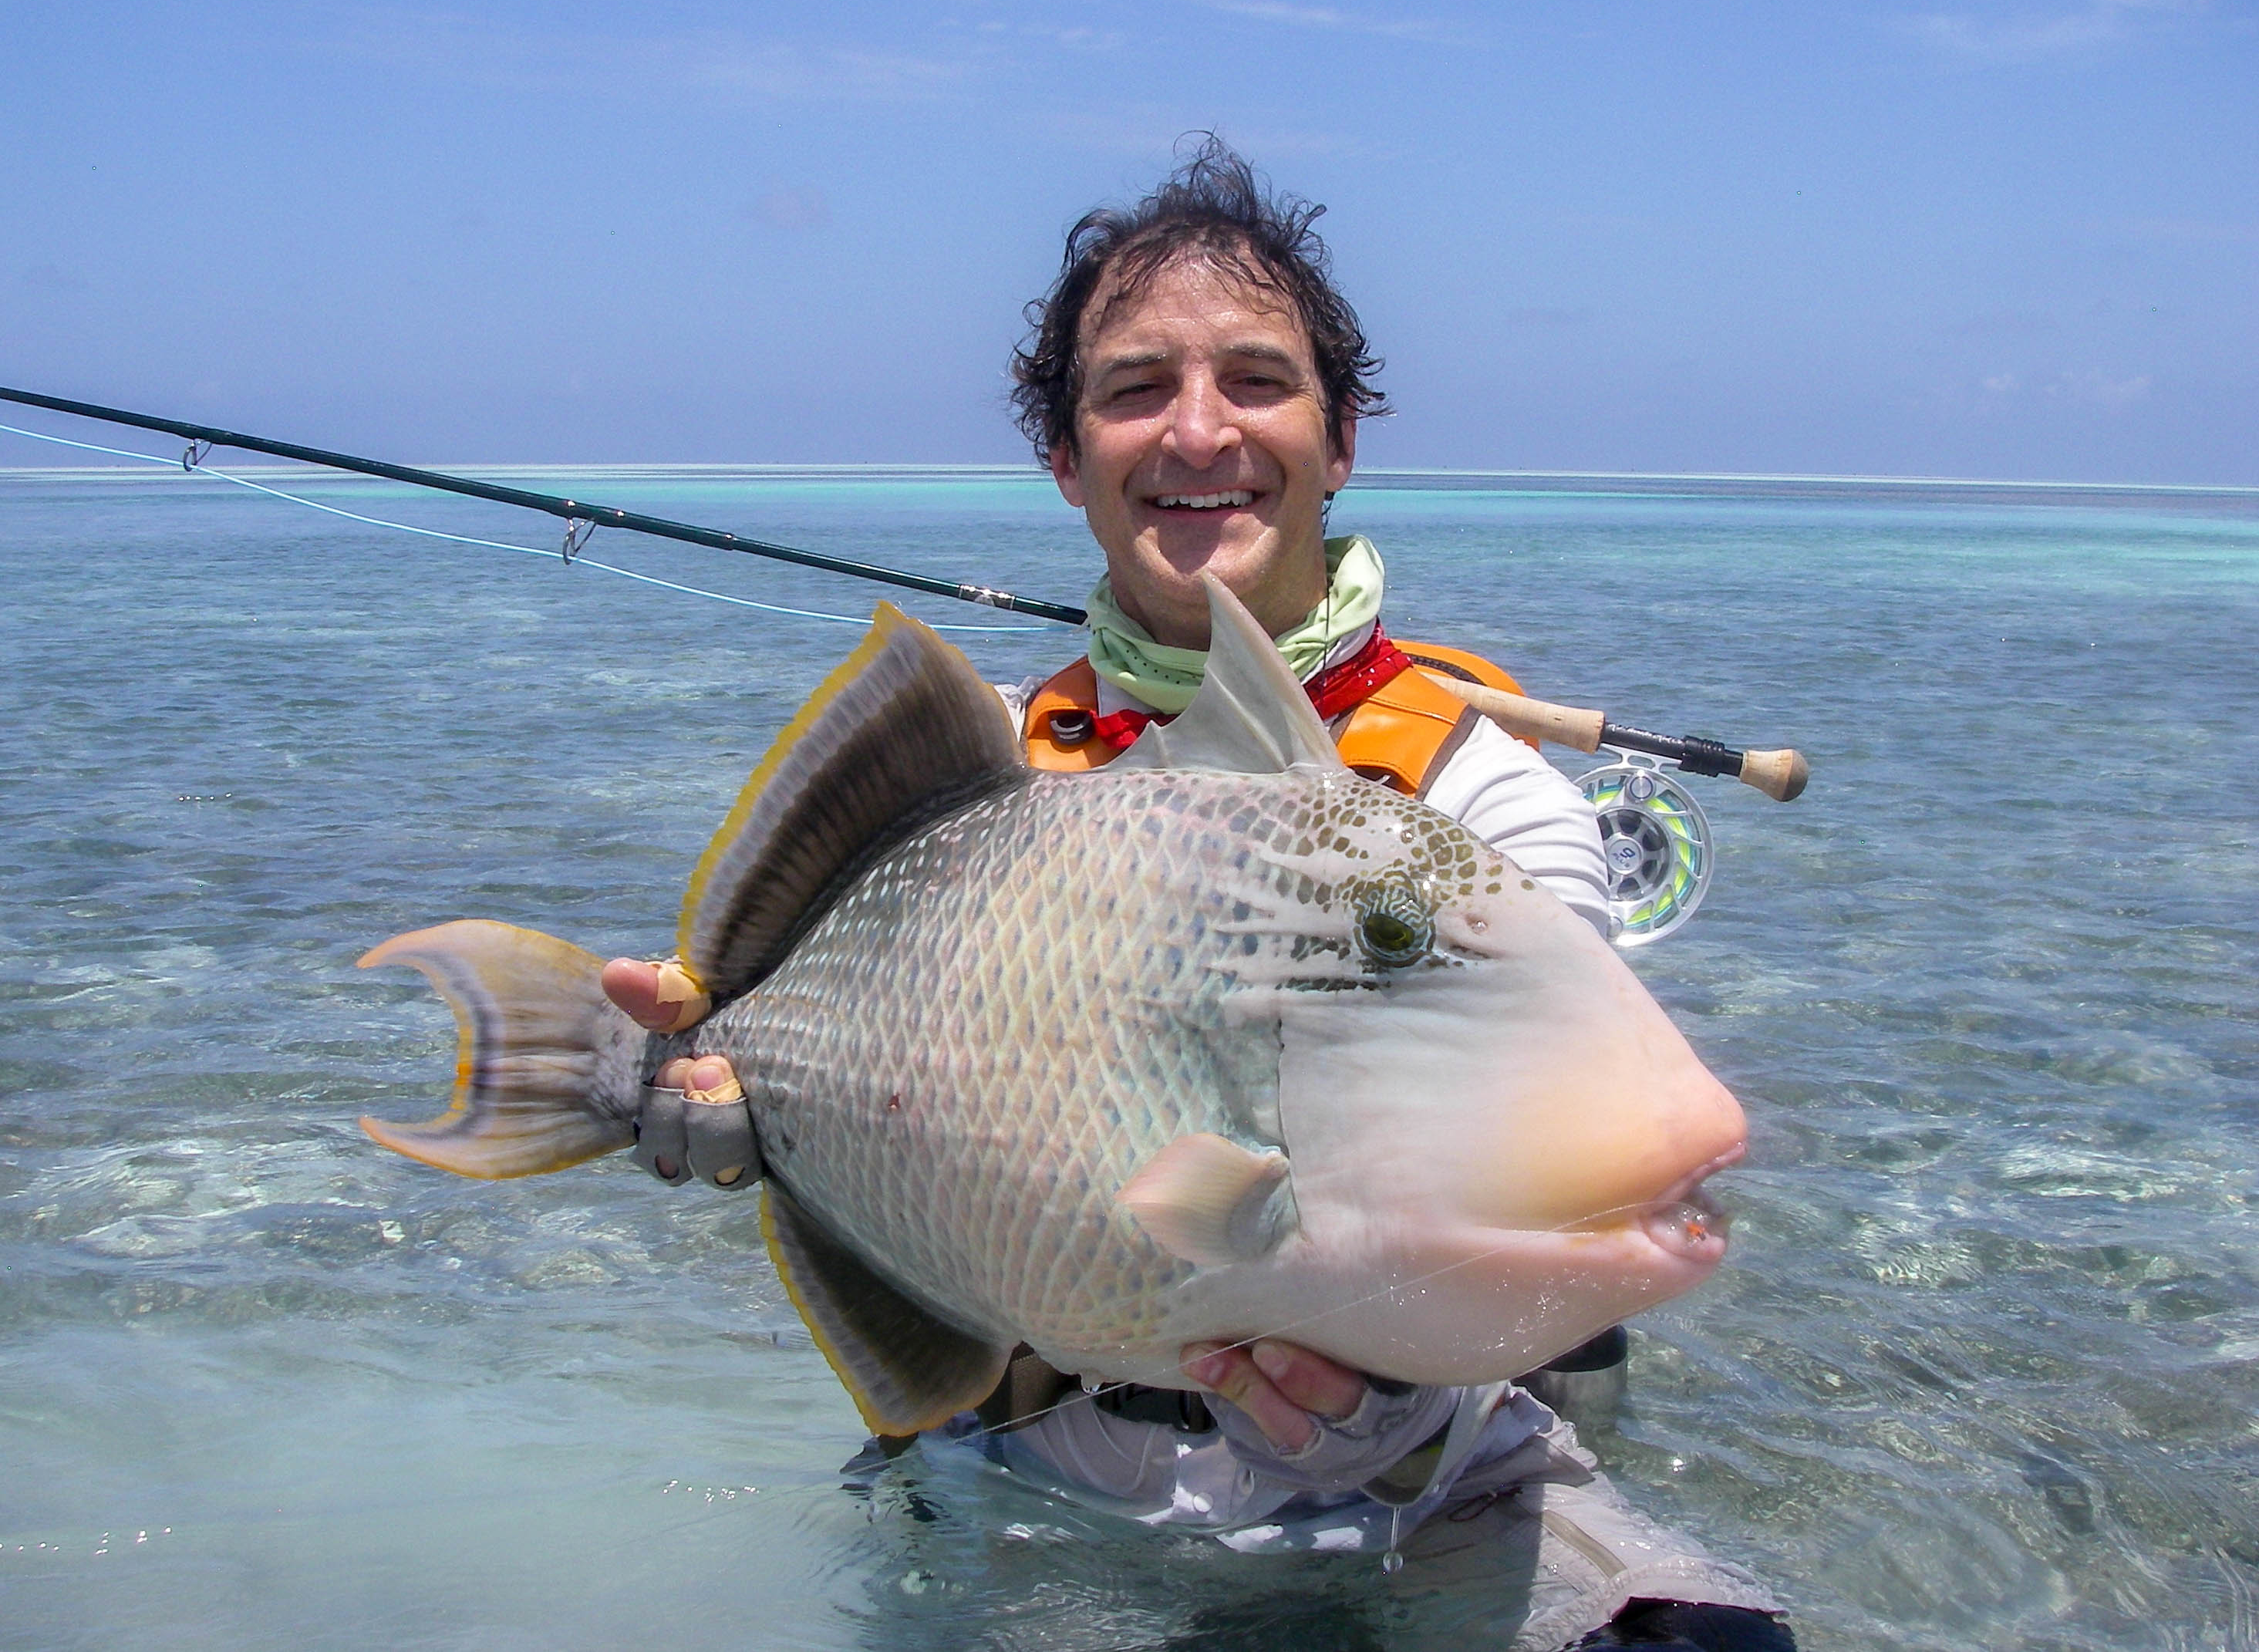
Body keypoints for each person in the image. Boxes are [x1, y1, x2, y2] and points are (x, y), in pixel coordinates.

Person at [608, 140, 1793, 1651]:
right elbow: (809, 1057)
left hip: (1414, 1488)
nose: (1198, 429)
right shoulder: (981, 777)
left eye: (1256, 377)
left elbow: (1554, 1163)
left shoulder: (1487, 799)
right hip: (1018, 1462)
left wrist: (1395, 1385)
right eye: (1132, 387)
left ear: (1340, 433)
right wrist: (719, 1103)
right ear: (1064, 456)